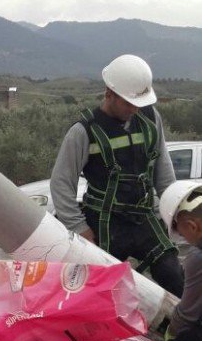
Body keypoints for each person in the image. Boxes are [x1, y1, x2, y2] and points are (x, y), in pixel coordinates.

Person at [51, 53, 184, 297]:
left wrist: (172, 212)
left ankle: (184, 332)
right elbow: (61, 183)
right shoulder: (83, 132)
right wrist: (79, 228)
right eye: (128, 103)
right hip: (103, 224)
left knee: (174, 276)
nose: (134, 109)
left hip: (144, 218)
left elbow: (163, 172)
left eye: (138, 103)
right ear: (109, 93)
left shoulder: (151, 118)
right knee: (102, 293)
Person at [159, 181, 202, 341]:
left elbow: (187, 314)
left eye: (183, 236)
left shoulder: (198, 257)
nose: (186, 241)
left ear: (193, 226)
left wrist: (171, 334)